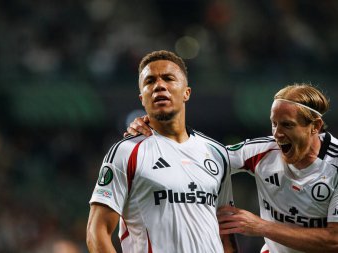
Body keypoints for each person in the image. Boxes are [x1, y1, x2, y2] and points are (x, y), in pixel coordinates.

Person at [125, 83, 338, 253]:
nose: (277, 134)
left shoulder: (334, 167)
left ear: (315, 126)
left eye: (288, 125)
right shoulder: (264, 151)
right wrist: (158, 130)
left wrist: (260, 226)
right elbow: (203, 157)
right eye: (274, 124)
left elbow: (334, 241)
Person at [86, 50, 236, 253]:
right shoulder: (126, 152)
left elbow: (226, 235)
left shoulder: (217, 153)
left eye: (168, 78)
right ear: (142, 98)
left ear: (186, 92)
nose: (159, 86)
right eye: (150, 81)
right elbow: (97, 232)